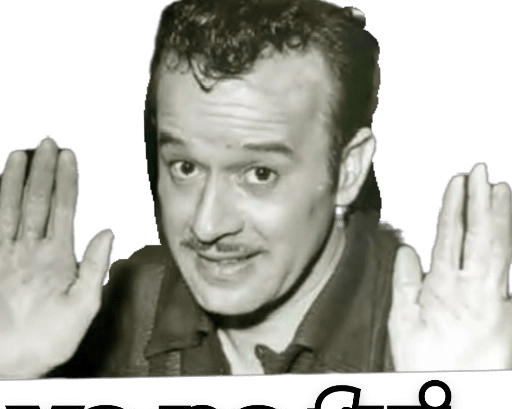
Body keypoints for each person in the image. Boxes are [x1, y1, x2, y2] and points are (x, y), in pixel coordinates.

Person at [0, 0, 511, 380]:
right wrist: (15, 369)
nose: (207, 225)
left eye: (259, 173)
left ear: (348, 169)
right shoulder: (100, 319)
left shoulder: (449, 335)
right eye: (185, 167)